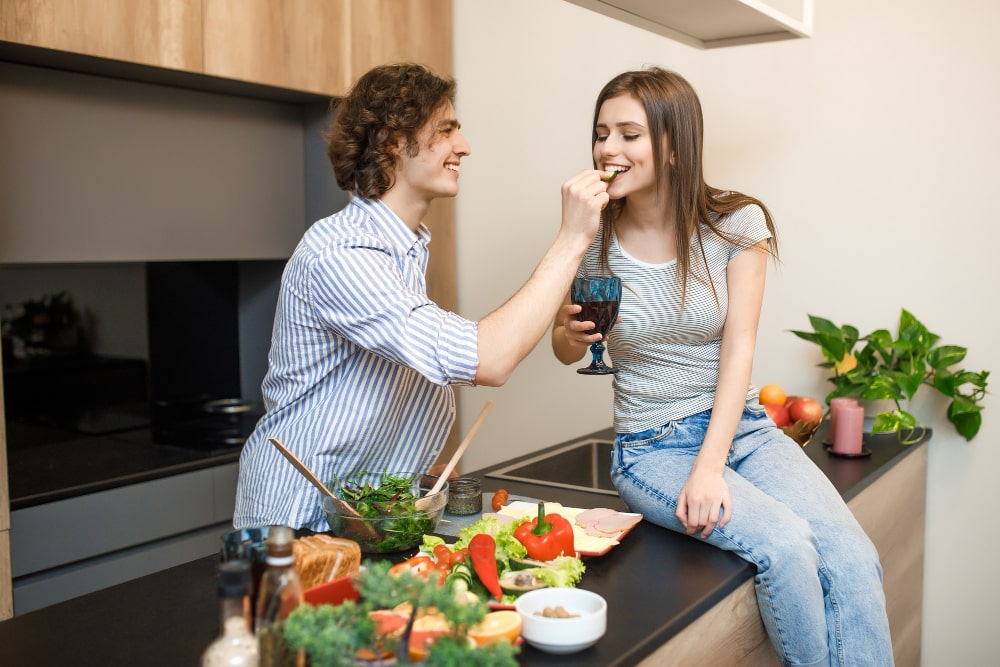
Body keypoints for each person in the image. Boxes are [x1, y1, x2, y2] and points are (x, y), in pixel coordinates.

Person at [551, 67, 892, 667]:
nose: (608, 148)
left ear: (675, 144)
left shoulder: (735, 224)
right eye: (602, 133)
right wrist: (568, 333)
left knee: (851, 553)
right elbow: (564, 346)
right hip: (651, 448)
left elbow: (739, 351)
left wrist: (709, 468)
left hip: (744, 430)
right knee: (786, 547)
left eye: (629, 134)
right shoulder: (592, 237)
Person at [234, 63, 610, 532]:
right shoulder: (343, 254)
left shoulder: (404, 248)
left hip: (368, 513)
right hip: (298, 521)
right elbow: (489, 359)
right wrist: (572, 238)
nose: (464, 146)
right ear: (394, 141)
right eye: (446, 130)